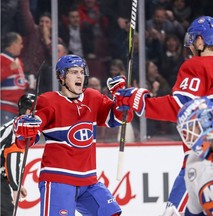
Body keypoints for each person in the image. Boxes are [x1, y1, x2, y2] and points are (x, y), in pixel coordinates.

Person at [114, 16, 213, 214]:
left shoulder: (196, 65)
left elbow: (180, 108)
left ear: (200, 41)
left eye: (193, 39)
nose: (190, 45)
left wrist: (140, 102)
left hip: (206, 159)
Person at [13, 54, 133, 215]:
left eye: (81, 72)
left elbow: (120, 119)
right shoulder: (47, 101)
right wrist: (22, 127)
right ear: (61, 77)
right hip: (58, 181)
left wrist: (122, 99)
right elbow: (27, 139)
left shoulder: (93, 97)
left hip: (89, 182)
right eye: (74, 72)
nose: (80, 76)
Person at [1, 93, 34, 216]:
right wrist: (16, 187)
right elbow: (12, 158)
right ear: (27, 111)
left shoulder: (16, 124)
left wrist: (18, 184)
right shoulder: (19, 129)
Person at [1, 31, 28, 126]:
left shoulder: (18, 61)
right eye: (20, 43)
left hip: (17, 109)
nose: (22, 46)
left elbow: (18, 83)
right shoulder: (1, 58)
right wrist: (9, 69)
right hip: (5, 108)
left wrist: (28, 83)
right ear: (13, 44)